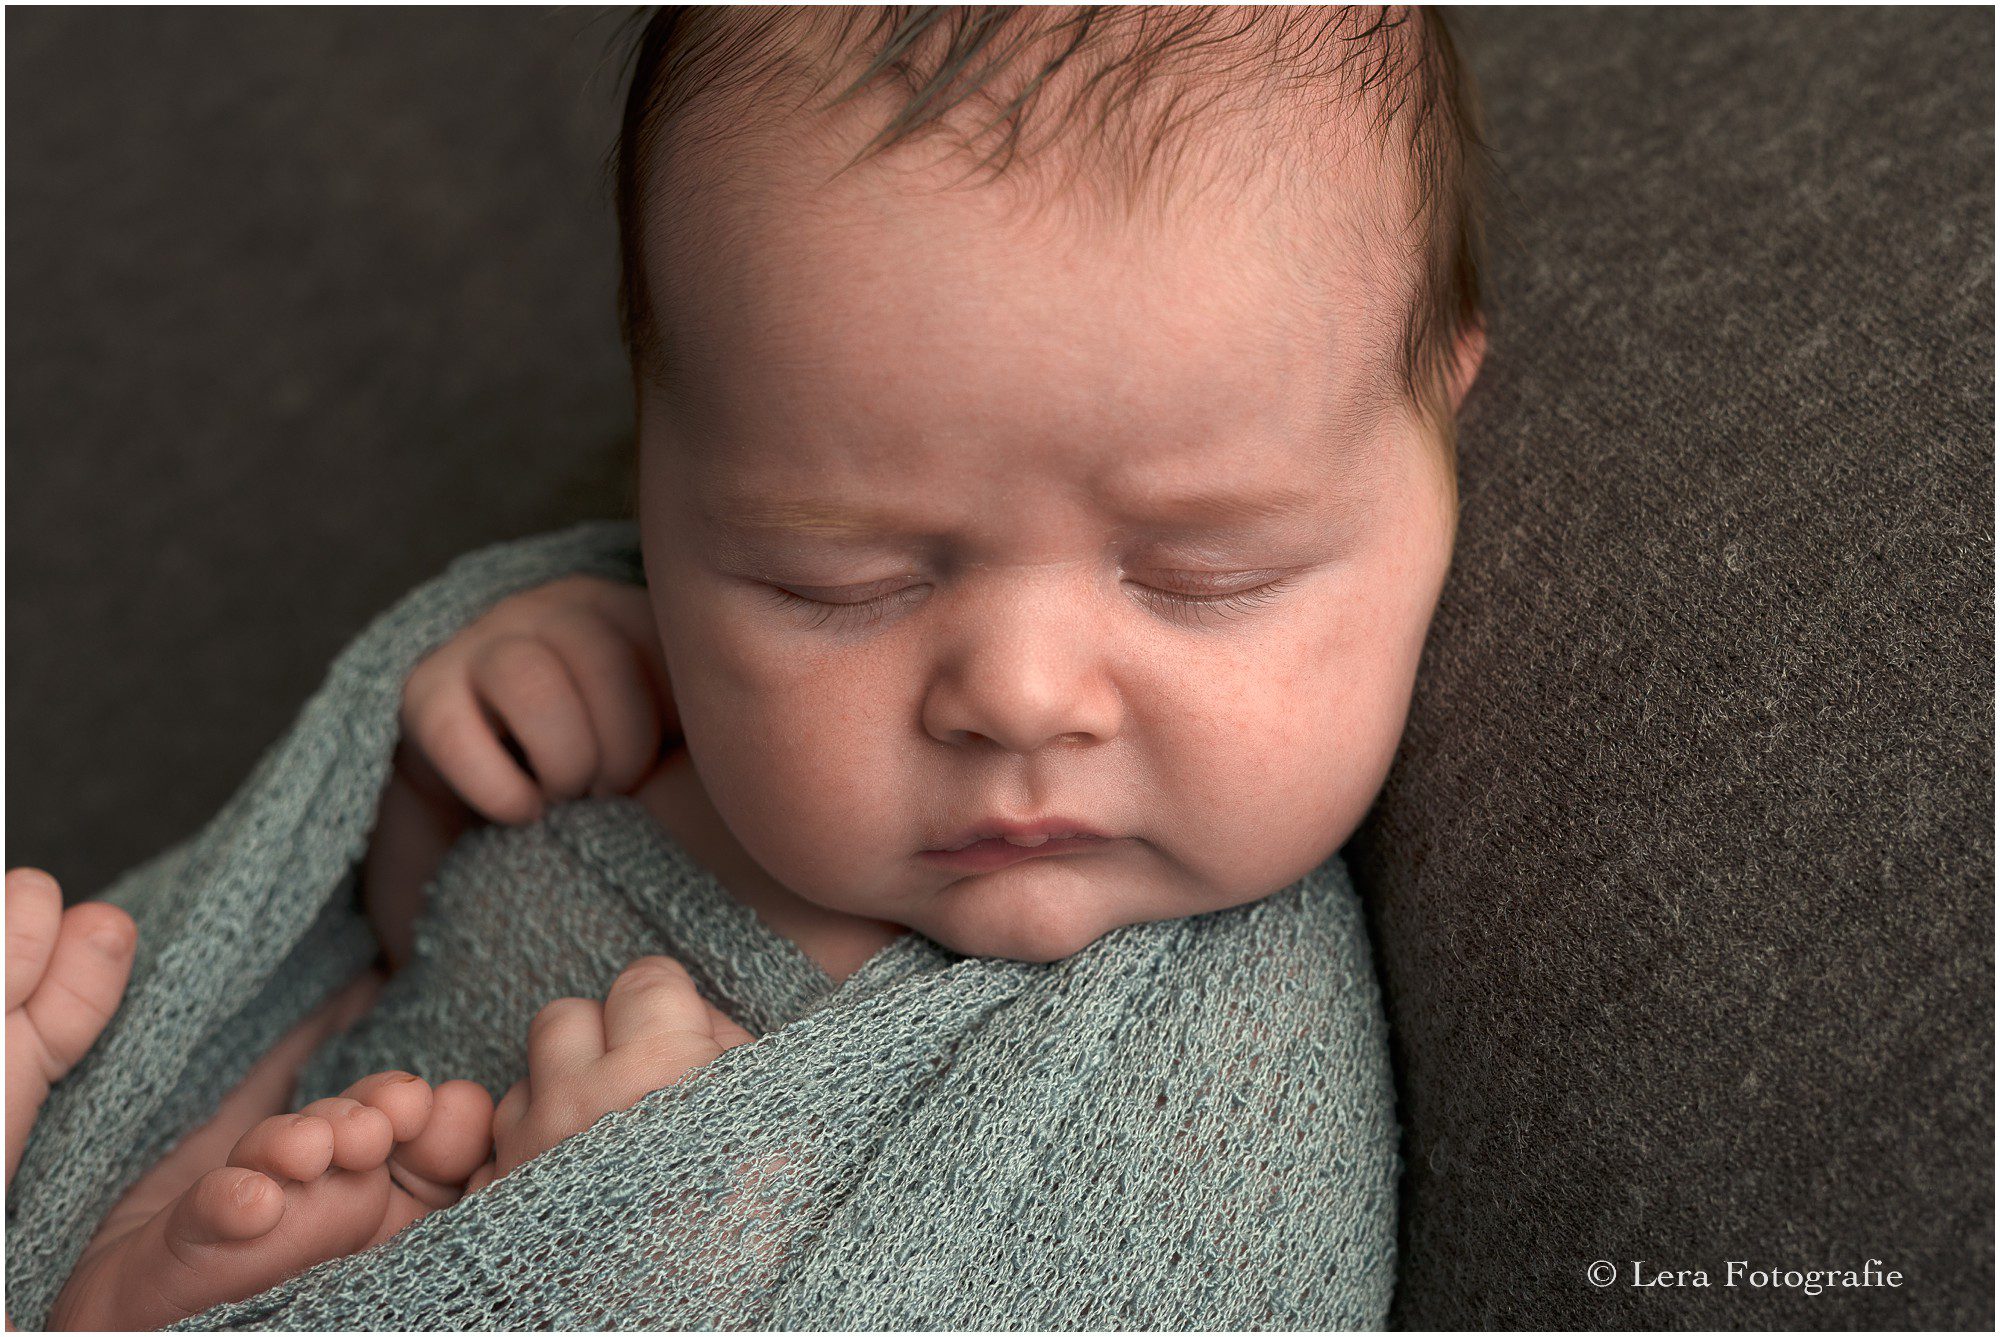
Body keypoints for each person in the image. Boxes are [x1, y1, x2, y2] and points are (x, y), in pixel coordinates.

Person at [13, 5, 1488, 1326]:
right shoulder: (657, 697)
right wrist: (449, 774)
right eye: (829, 581)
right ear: (663, 486)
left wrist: (621, 1271)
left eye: (1197, 572)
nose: (1024, 697)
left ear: (1438, 419)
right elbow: (389, 954)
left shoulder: (1214, 1110)